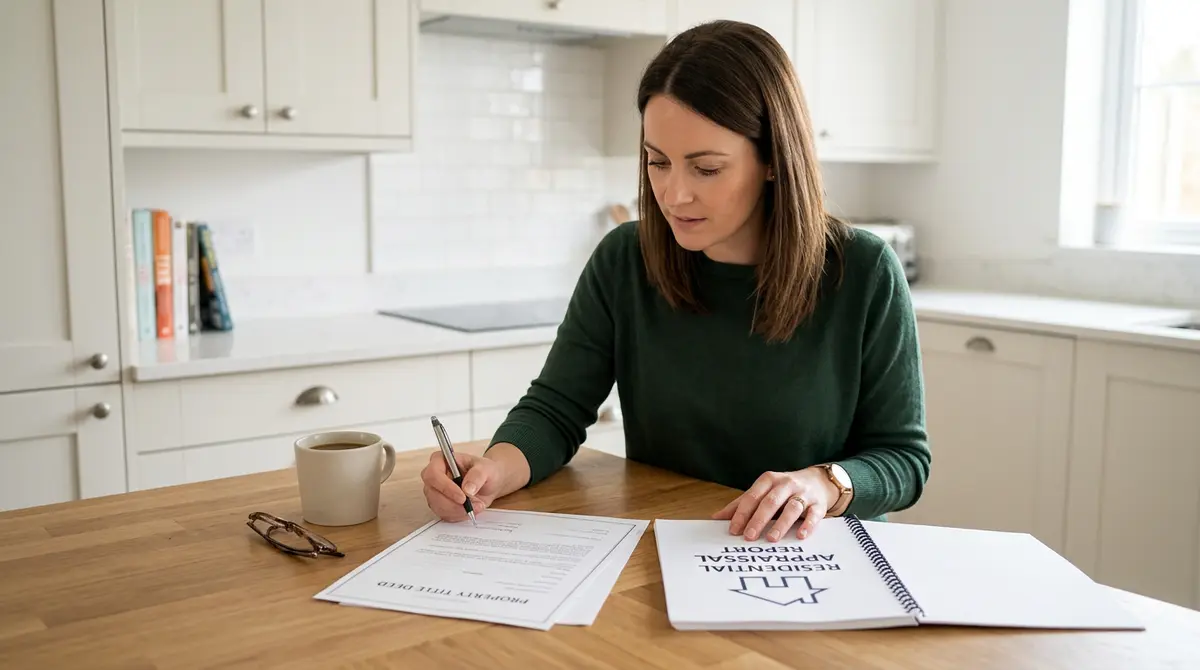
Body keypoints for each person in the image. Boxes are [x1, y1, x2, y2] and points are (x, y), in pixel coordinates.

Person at [421, 20, 930, 543]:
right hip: (673, 547)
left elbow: (904, 459)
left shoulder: (863, 271)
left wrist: (826, 484)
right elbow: (556, 409)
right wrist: (491, 472)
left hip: (818, 556)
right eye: (657, 162)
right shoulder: (625, 258)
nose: (673, 194)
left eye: (706, 169)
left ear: (774, 160)